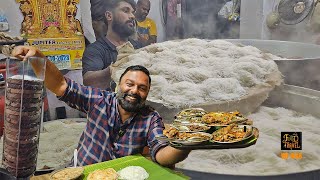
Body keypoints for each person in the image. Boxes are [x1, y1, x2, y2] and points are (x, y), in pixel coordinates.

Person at [12, 45, 191, 167]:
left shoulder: (151, 119)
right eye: (129, 84)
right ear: (118, 86)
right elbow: (60, 85)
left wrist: (187, 143)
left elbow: (161, 153)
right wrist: (37, 57)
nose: (134, 91)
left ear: (147, 93)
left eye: (142, 88)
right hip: (81, 173)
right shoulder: (99, 100)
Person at [82, 0, 142, 90]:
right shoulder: (95, 50)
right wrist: (117, 67)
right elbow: (89, 82)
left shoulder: (139, 47)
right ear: (109, 16)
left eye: (133, 12)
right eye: (126, 11)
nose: (132, 16)